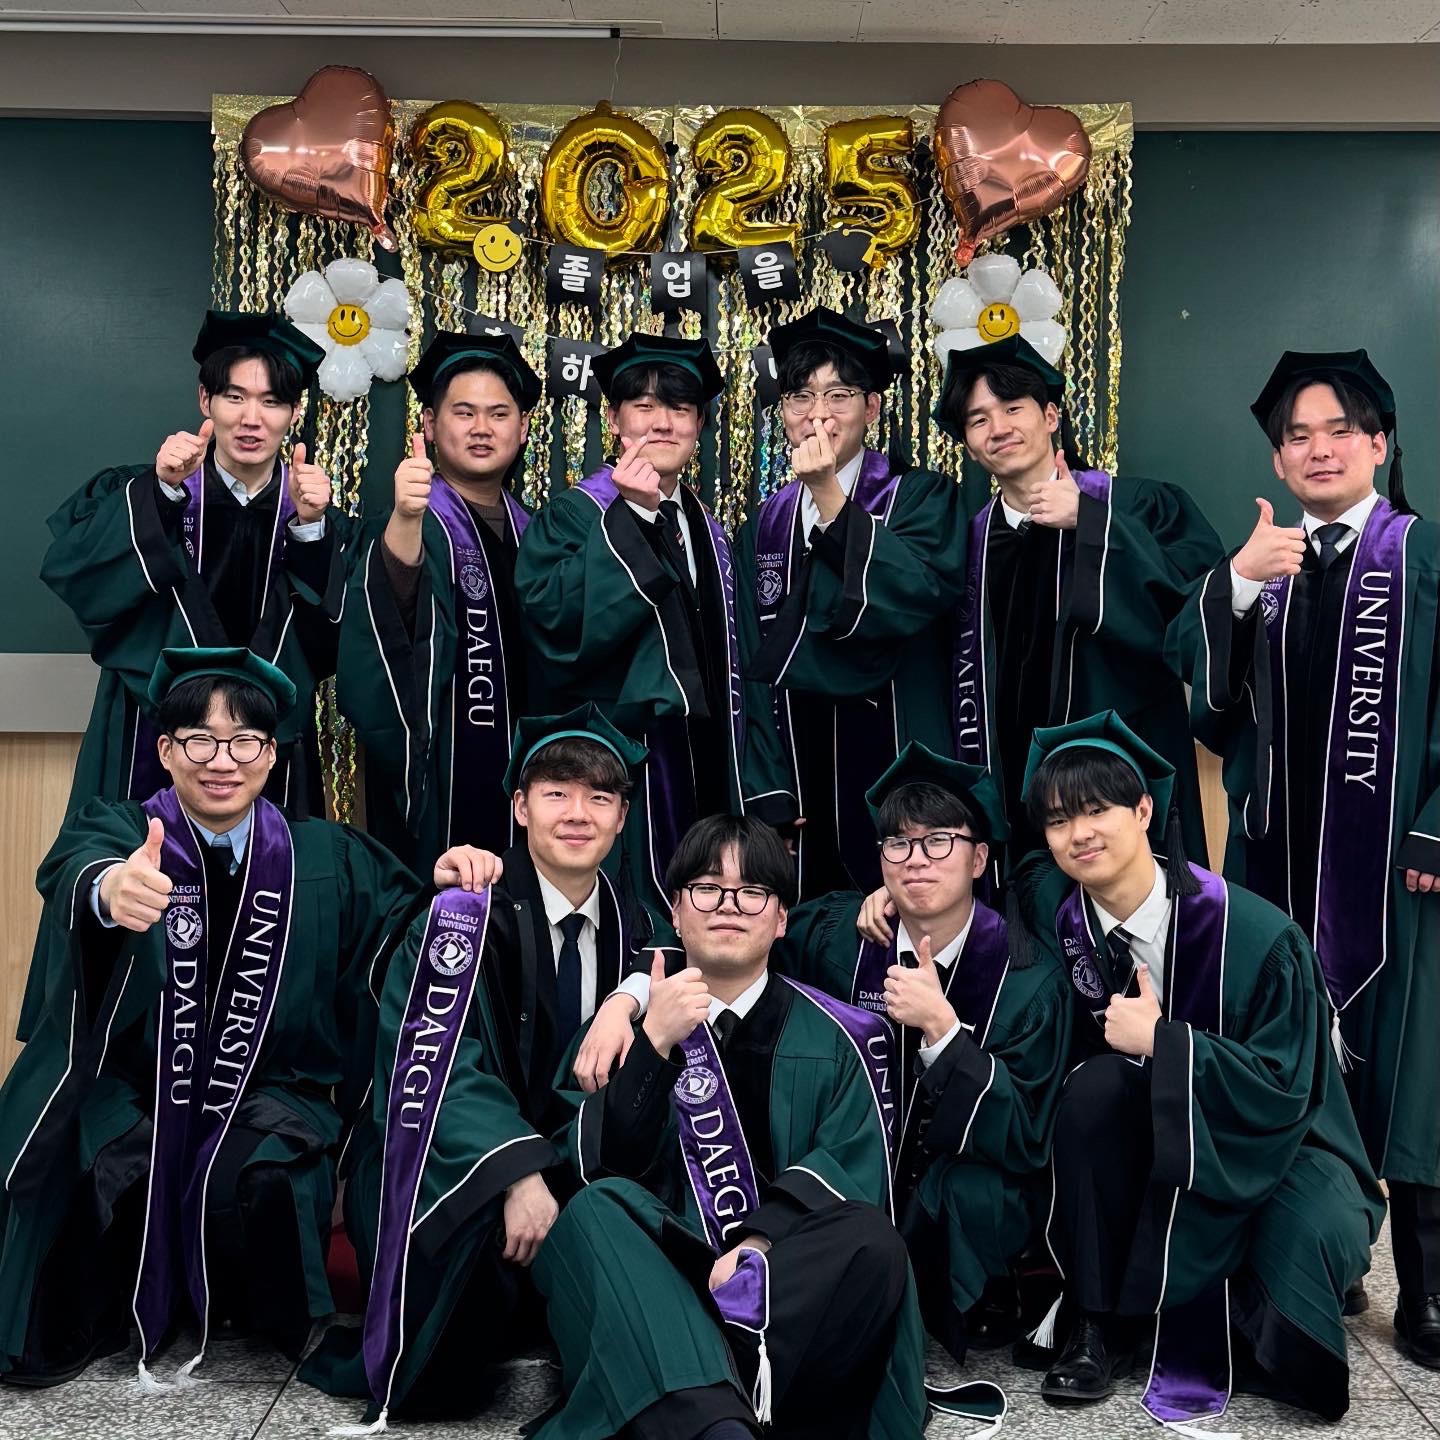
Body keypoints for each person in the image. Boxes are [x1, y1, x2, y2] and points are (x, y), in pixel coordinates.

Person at [0, 647, 483, 1389]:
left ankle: (269, 1322)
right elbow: (77, 868)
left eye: (245, 741)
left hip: (272, 1092)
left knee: (265, 1178)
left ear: (272, 754)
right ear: (166, 751)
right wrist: (111, 889)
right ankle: (111, 1319)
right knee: (121, 1162)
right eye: (199, 739)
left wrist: (443, 893)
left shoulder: (325, 854)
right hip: (139, 1087)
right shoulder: (126, 833)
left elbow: (399, 935)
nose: (222, 761)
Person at [1012, 710, 1383, 1422]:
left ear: (1144, 811)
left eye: (1097, 810)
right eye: (1058, 820)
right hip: (1151, 1142)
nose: (1079, 833)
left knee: (1299, 1275)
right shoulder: (1061, 920)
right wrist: (882, 899)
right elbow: (973, 886)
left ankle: (1307, 1279)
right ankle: (1097, 1322)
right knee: (1093, 1090)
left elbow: (1284, 1090)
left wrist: (1166, 1042)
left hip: (1287, 1143)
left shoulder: (1258, 935)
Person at [1187, 348, 1440, 1359]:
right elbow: (1211, 717)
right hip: (1279, 870)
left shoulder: (1422, 557)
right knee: (1286, 1065)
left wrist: (1437, 823)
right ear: (1279, 461)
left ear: (1378, 444)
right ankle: (1318, 1256)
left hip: (1398, 874)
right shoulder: (1267, 568)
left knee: (1413, 1070)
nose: (1319, 449)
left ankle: (1425, 1285)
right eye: (1298, 436)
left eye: (1340, 431)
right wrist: (1237, 589)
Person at [302, 707, 653, 1427]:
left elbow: (697, 963)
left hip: (568, 1158)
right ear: (521, 808)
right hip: (447, 1156)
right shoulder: (464, 916)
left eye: (599, 797)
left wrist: (631, 995)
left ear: (622, 818)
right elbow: (434, 1067)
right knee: (450, 1360)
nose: (577, 814)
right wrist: (517, 1174)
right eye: (556, 793)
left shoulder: (638, 923)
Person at [531, 815, 929, 1440]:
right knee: (595, 1211)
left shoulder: (839, 1038)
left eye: (752, 893)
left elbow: (851, 1170)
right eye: (708, 889)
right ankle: (720, 1419)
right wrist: (654, 1048)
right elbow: (590, 1167)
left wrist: (758, 1243)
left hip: (781, 1291)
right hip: (664, 1282)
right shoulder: (620, 1034)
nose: (728, 907)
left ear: (781, 919)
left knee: (869, 1238)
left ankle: (704, 1395)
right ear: (675, 911)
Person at [799, 742, 1071, 1362]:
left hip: (960, 1199)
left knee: (982, 1190)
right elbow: (741, 939)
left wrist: (945, 1033)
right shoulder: (841, 941)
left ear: (979, 859)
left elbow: (1026, 1134)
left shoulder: (1028, 979)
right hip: (859, 1174)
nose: (917, 860)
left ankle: (980, 1292)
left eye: (939, 842)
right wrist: (631, 996)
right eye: (899, 843)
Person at [41, 311, 346, 823]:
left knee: (265, 867)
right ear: (206, 400)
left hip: (263, 742)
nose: (252, 419)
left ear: (294, 412)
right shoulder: (151, 490)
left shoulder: (311, 515)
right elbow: (80, 576)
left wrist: (310, 531)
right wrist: (160, 492)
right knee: (139, 863)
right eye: (235, 397)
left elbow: (330, 642)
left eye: (272, 401)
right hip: (149, 728)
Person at [933, 336, 1221, 866]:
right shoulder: (967, 548)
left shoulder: (1137, 506)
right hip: (1019, 793)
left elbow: (1191, 612)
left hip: (1128, 779)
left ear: (1050, 416)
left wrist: (1092, 523)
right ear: (970, 447)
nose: (998, 428)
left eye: (1012, 408)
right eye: (978, 420)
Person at [737, 307, 968, 900]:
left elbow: (916, 593)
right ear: (782, 412)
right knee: (813, 924)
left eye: (838, 395)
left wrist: (829, 496)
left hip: (899, 752)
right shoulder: (763, 526)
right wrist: (771, 792)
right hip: (802, 773)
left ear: (872, 408)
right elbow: (753, 664)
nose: (818, 413)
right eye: (800, 396)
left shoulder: (920, 497)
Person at [515, 333, 741, 929]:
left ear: (699, 426)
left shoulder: (709, 529)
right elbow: (555, 621)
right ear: (614, 420)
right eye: (643, 406)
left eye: (681, 408)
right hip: (617, 758)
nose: (662, 422)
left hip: (703, 756)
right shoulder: (576, 513)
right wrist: (635, 516)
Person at [338, 331, 543, 873]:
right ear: (429, 424)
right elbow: (384, 632)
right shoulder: (410, 522)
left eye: (499, 414)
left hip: (531, 782)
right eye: (464, 412)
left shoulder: (539, 535)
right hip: (438, 777)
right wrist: (405, 521)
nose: (482, 428)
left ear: (523, 428)